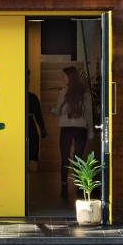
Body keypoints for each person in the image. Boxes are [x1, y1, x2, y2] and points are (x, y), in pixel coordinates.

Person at [52, 65, 94, 200]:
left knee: (65, 158)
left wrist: (52, 111)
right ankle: (80, 187)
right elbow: (89, 114)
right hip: (81, 129)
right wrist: (91, 131)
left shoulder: (63, 92)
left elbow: (58, 111)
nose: (62, 78)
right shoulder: (85, 93)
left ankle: (64, 188)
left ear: (69, 77)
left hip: (66, 128)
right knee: (79, 159)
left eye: (64, 76)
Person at [27, 89, 47, 165]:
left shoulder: (32, 97)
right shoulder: (32, 97)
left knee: (32, 141)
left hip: (29, 123)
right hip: (20, 123)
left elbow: (38, 114)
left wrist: (42, 128)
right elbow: (38, 114)